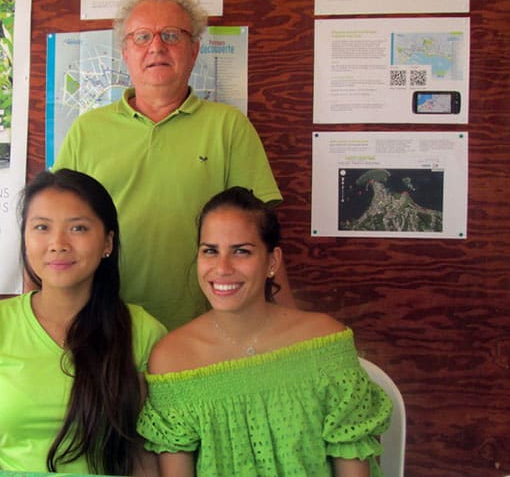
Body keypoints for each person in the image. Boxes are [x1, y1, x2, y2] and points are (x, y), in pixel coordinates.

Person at [52, 0, 294, 331]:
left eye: (171, 35)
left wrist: (290, 333)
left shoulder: (228, 127)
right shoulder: (87, 130)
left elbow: (262, 237)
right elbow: (53, 227)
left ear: (194, 50)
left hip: (207, 329)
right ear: (124, 52)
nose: (156, 47)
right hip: (104, 329)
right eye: (141, 37)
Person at [137, 187, 393, 476]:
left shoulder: (325, 341)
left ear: (272, 261)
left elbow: (352, 462)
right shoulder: (172, 358)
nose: (222, 268)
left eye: (241, 251)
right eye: (210, 251)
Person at [0, 169, 166, 474]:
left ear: (107, 243)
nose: (58, 243)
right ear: (25, 239)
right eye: (41, 227)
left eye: (78, 228)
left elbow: (144, 453)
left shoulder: (142, 331)